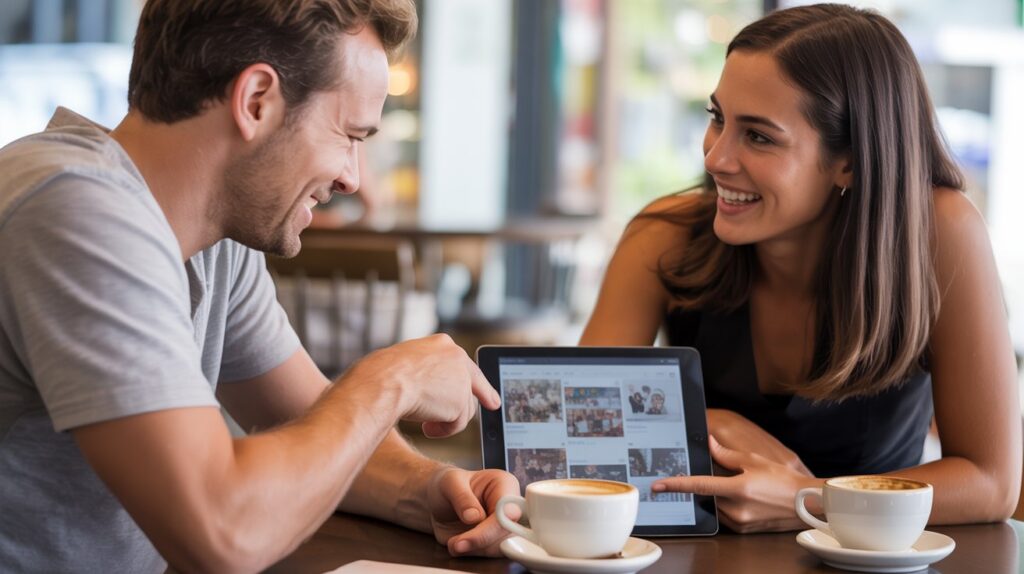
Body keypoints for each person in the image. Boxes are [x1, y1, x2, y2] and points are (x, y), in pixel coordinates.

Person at [0, 1, 519, 571]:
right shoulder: (75, 208)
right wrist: (391, 381)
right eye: (349, 135)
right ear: (256, 102)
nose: (352, 177)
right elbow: (224, 532)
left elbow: (304, 425)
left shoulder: (213, 233)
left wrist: (439, 491)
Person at [581, 3, 1021, 533]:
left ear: (850, 161)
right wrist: (705, 421)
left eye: (759, 136)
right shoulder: (665, 235)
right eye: (718, 118)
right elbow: (578, 430)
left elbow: (991, 483)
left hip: (871, 560)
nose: (715, 158)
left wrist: (806, 497)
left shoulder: (940, 232)